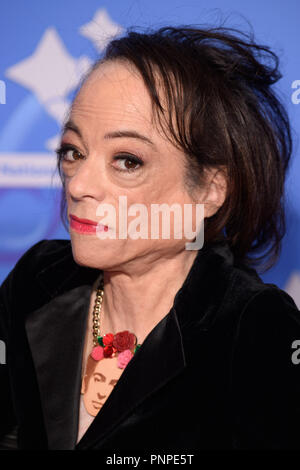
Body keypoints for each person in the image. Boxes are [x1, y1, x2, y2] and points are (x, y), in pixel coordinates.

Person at [0, 24, 300, 451]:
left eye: (126, 160)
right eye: (73, 151)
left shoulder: (253, 326)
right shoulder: (40, 278)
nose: (79, 183)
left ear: (211, 189)